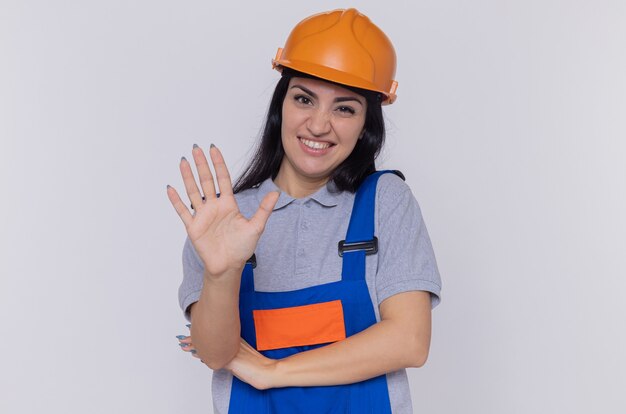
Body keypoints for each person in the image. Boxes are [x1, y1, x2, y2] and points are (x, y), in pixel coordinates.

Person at [167, 8, 442, 413]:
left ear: (367, 124)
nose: (318, 124)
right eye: (304, 99)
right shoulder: (224, 218)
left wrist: (272, 372)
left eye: (344, 108)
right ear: (281, 106)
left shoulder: (385, 200)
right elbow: (215, 352)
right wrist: (222, 273)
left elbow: (410, 341)